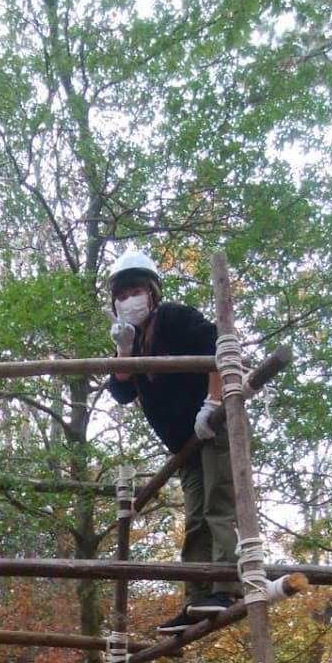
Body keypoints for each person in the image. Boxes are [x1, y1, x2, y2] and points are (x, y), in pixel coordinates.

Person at [105, 246, 236, 632]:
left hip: (211, 424)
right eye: (123, 294)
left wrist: (212, 402)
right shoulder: (132, 339)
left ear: (153, 292)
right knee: (195, 515)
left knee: (218, 502)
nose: (131, 299)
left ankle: (226, 586)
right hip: (183, 444)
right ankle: (197, 597)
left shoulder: (176, 318)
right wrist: (124, 351)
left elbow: (217, 345)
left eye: (137, 290)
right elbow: (122, 392)